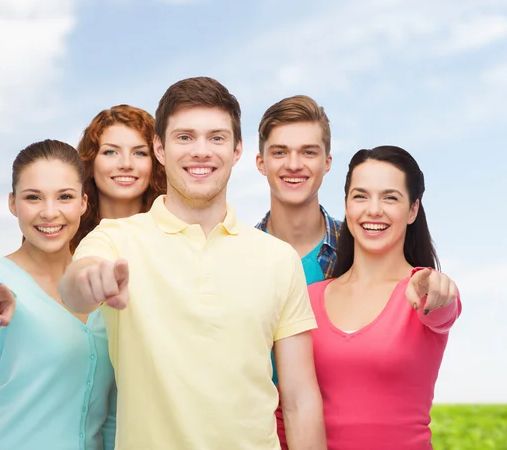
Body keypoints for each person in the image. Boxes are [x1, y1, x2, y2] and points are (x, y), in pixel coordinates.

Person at [60, 77, 327, 450]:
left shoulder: (278, 258)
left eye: (216, 138)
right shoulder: (116, 239)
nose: (201, 151)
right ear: (160, 149)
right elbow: (74, 287)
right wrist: (89, 282)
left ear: (237, 151)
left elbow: (299, 399)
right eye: (185, 137)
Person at [308, 145, 461, 450]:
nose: (373, 210)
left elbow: (444, 308)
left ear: (413, 210)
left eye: (390, 197)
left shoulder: (423, 291)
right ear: (347, 204)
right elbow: (288, 409)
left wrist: (437, 289)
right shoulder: (309, 298)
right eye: (361, 196)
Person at [0, 140, 116, 450]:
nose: (50, 213)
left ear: (83, 203)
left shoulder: (100, 282)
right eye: (33, 197)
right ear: (13, 203)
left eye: (64, 197)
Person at [255, 95, 341, 448]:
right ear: (260, 162)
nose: (294, 164)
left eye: (308, 152)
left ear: (327, 162)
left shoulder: (361, 251)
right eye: (279, 152)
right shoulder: (237, 258)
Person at [72, 104, 166, 251]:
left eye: (139, 153)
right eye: (111, 152)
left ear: (156, 162)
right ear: (90, 162)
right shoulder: (65, 240)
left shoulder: (177, 237)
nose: (126, 164)